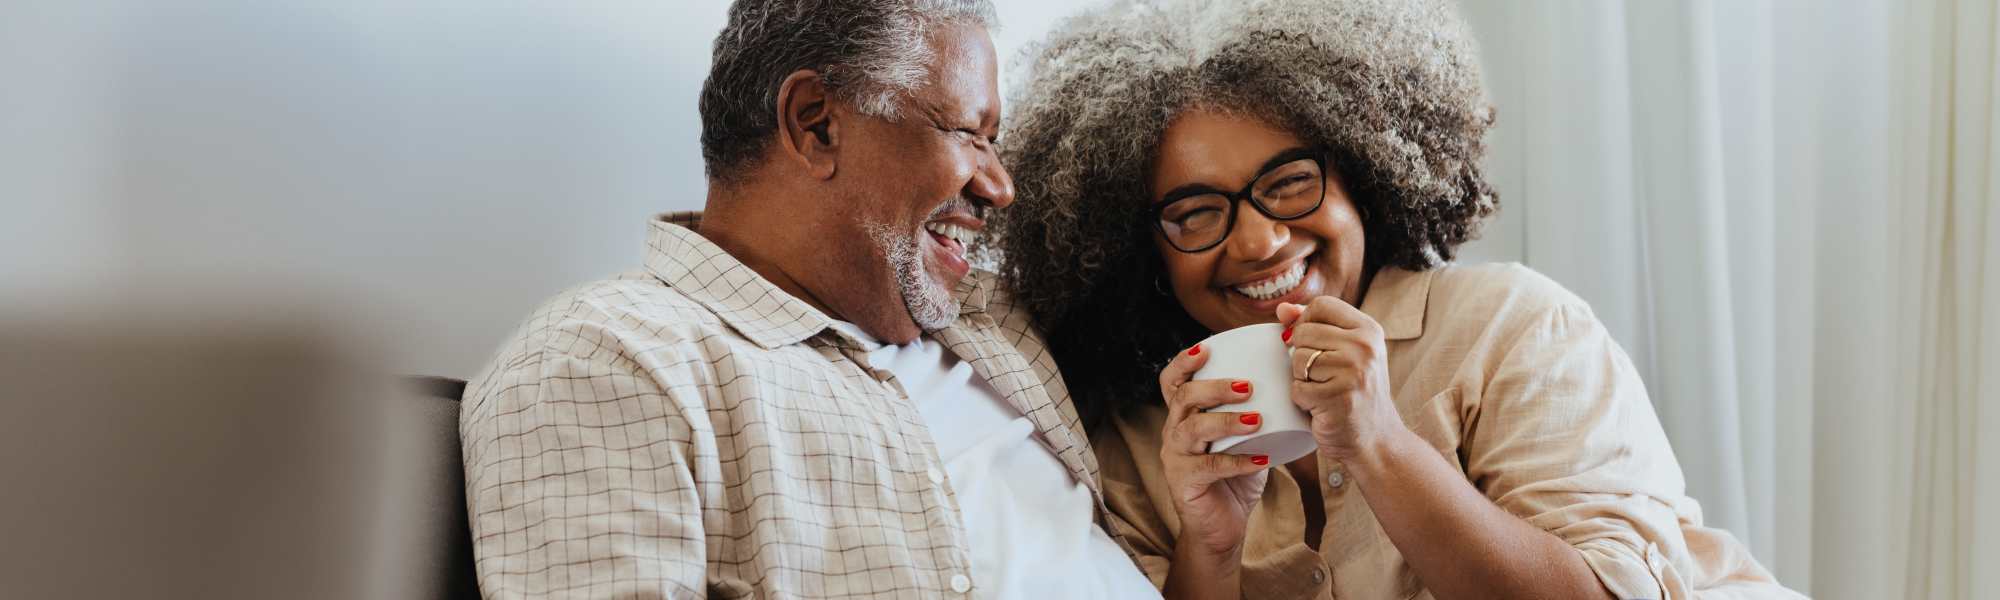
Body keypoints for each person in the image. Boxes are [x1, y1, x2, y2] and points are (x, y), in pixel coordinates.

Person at [993, 0, 1807, 598]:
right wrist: (1209, 547)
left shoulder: (1513, 328)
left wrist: (1378, 440)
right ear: (1145, 251)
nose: (1257, 242)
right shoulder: (1137, 444)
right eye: (1196, 212)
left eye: (1288, 182)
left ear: (1362, 178)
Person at [458, 1, 1159, 597]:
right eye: (969, 134)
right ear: (816, 123)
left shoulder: (993, 318)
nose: (1000, 186)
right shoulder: (609, 361)